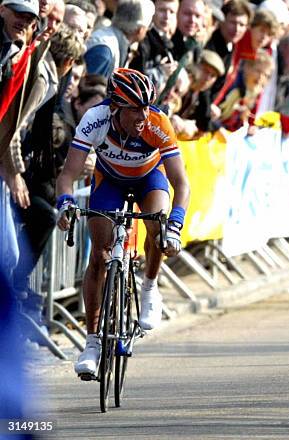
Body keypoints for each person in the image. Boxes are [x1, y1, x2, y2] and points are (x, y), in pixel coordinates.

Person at [55, 68, 190, 378]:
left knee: (156, 227)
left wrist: (175, 225)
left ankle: (149, 287)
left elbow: (181, 183)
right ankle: (91, 343)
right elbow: (67, 175)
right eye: (134, 108)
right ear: (115, 106)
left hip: (148, 178)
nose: (142, 114)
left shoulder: (157, 124)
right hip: (110, 182)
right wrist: (65, 204)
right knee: (100, 257)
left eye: (146, 106)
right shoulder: (95, 119)